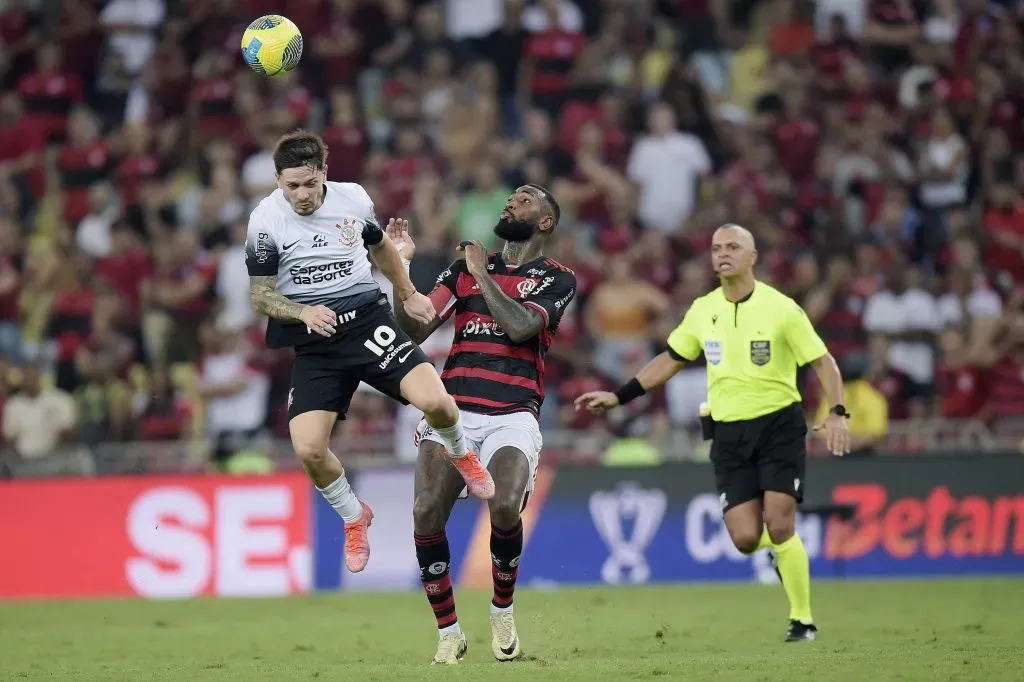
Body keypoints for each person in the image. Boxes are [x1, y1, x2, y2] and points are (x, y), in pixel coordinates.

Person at [576, 224, 850, 643]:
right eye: (716, 248)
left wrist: (837, 411)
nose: (723, 254)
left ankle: (802, 619)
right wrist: (619, 396)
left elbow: (823, 362)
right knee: (744, 538)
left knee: (779, 523)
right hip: (727, 432)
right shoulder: (703, 310)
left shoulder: (781, 308)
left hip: (779, 425)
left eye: (733, 247)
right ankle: (784, 555)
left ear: (752, 256)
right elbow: (670, 359)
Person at [245, 131, 496, 575]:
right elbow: (261, 295)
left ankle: (460, 452)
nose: (301, 195)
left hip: (366, 321)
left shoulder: (354, 201)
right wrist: (302, 311)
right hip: (314, 339)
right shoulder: (265, 220)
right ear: (279, 181)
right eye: (291, 186)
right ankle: (353, 516)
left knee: (436, 400)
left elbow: (379, 246)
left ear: (323, 173)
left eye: (309, 183)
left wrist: (407, 289)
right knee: (307, 448)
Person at [388, 184, 576, 664]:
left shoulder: (557, 279)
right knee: (426, 509)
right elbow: (414, 329)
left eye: (526, 199)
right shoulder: (460, 272)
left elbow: (520, 328)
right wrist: (399, 273)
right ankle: (449, 631)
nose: (512, 201)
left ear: (545, 222)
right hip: (454, 413)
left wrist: (481, 274)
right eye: (511, 197)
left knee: (507, 505)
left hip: (513, 413)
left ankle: (501, 610)